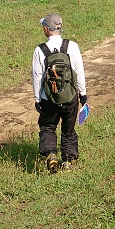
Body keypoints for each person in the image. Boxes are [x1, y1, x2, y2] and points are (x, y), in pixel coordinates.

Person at [32, 13, 87, 173]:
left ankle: (51, 154)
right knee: (68, 129)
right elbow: (79, 71)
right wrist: (82, 93)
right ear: (60, 28)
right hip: (70, 97)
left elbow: (37, 76)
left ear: (45, 29)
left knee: (48, 126)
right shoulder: (72, 46)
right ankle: (68, 161)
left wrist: (37, 99)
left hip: (49, 98)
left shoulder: (40, 50)